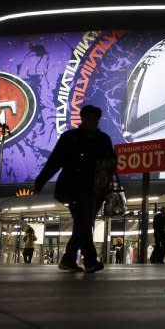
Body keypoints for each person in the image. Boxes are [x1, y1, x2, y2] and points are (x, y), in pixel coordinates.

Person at [34, 104, 116, 273]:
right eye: (91, 118)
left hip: (96, 189)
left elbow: (112, 163)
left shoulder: (104, 139)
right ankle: (90, 260)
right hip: (73, 188)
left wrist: (108, 168)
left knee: (83, 225)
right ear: (83, 118)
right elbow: (55, 161)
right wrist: (40, 181)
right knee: (84, 223)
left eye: (96, 119)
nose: (94, 122)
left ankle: (68, 259)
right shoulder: (70, 137)